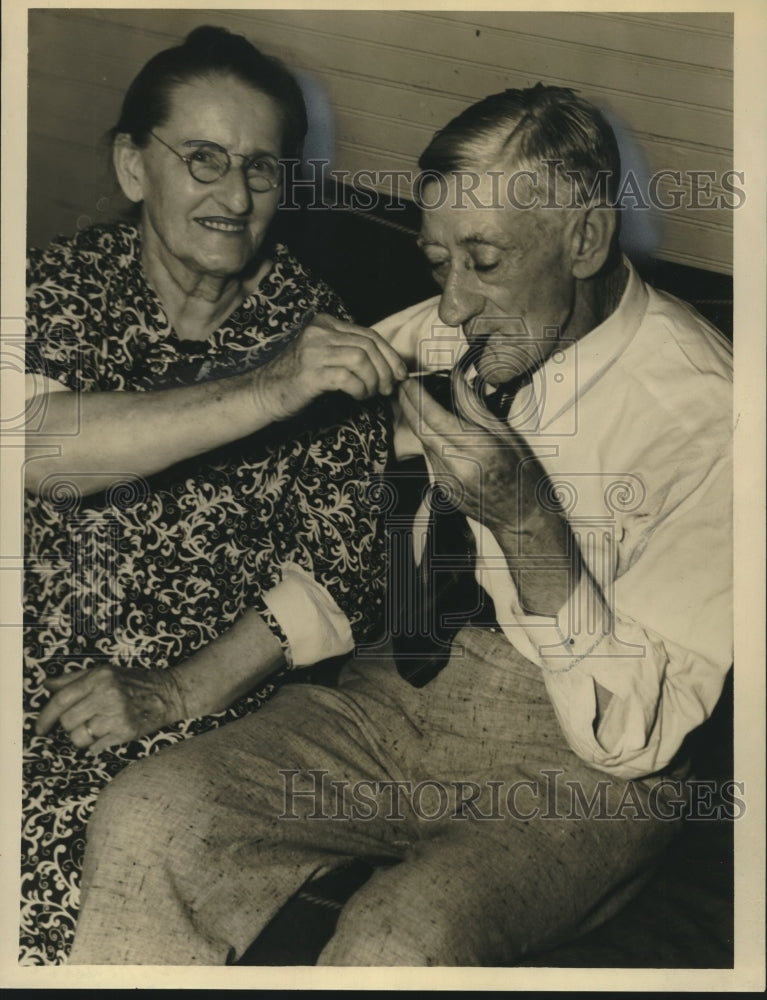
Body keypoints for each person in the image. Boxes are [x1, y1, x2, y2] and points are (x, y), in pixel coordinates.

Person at [66, 84, 732, 967]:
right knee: (147, 815)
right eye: (435, 263)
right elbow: (263, 476)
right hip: (388, 704)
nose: (450, 308)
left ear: (585, 239)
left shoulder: (713, 416)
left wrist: (529, 521)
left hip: (580, 771)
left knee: (398, 938)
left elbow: (634, 738)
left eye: (484, 263)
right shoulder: (434, 333)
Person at [21, 25, 407, 965]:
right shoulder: (50, 290)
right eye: (202, 159)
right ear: (131, 165)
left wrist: (165, 694)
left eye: (262, 169)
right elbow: (34, 449)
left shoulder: (318, 336)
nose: (235, 197)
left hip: (184, 704)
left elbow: (336, 582)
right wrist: (264, 391)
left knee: (68, 851)